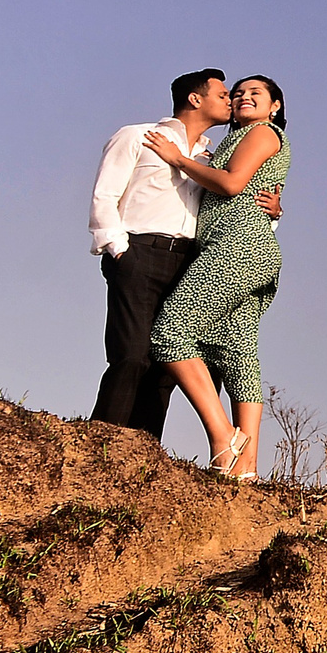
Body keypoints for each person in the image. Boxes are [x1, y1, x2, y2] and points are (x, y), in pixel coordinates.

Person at [87, 69, 281, 436]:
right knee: (130, 356)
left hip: (190, 259)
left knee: (166, 364)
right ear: (196, 99)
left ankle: (143, 449)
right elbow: (104, 195)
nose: (232, 100)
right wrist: (118, 249)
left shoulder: (210, 158)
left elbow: (233, 200)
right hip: (139, 252)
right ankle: (103, 441)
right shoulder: (138, 136)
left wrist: (274, 209)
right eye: (224, 94)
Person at [145, 75, 291, 478]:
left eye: (255, 93)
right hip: (250, 250)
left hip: (238, 248)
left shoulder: (263, 133)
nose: (243, 97)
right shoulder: (235, 141)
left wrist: (178, 159)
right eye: (238, 93)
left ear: (274, 106)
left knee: (170, 333)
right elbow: (249, 189)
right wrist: (277, 209)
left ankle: (224, 439)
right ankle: (246, 469)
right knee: (236, 352)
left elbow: (231, 184)